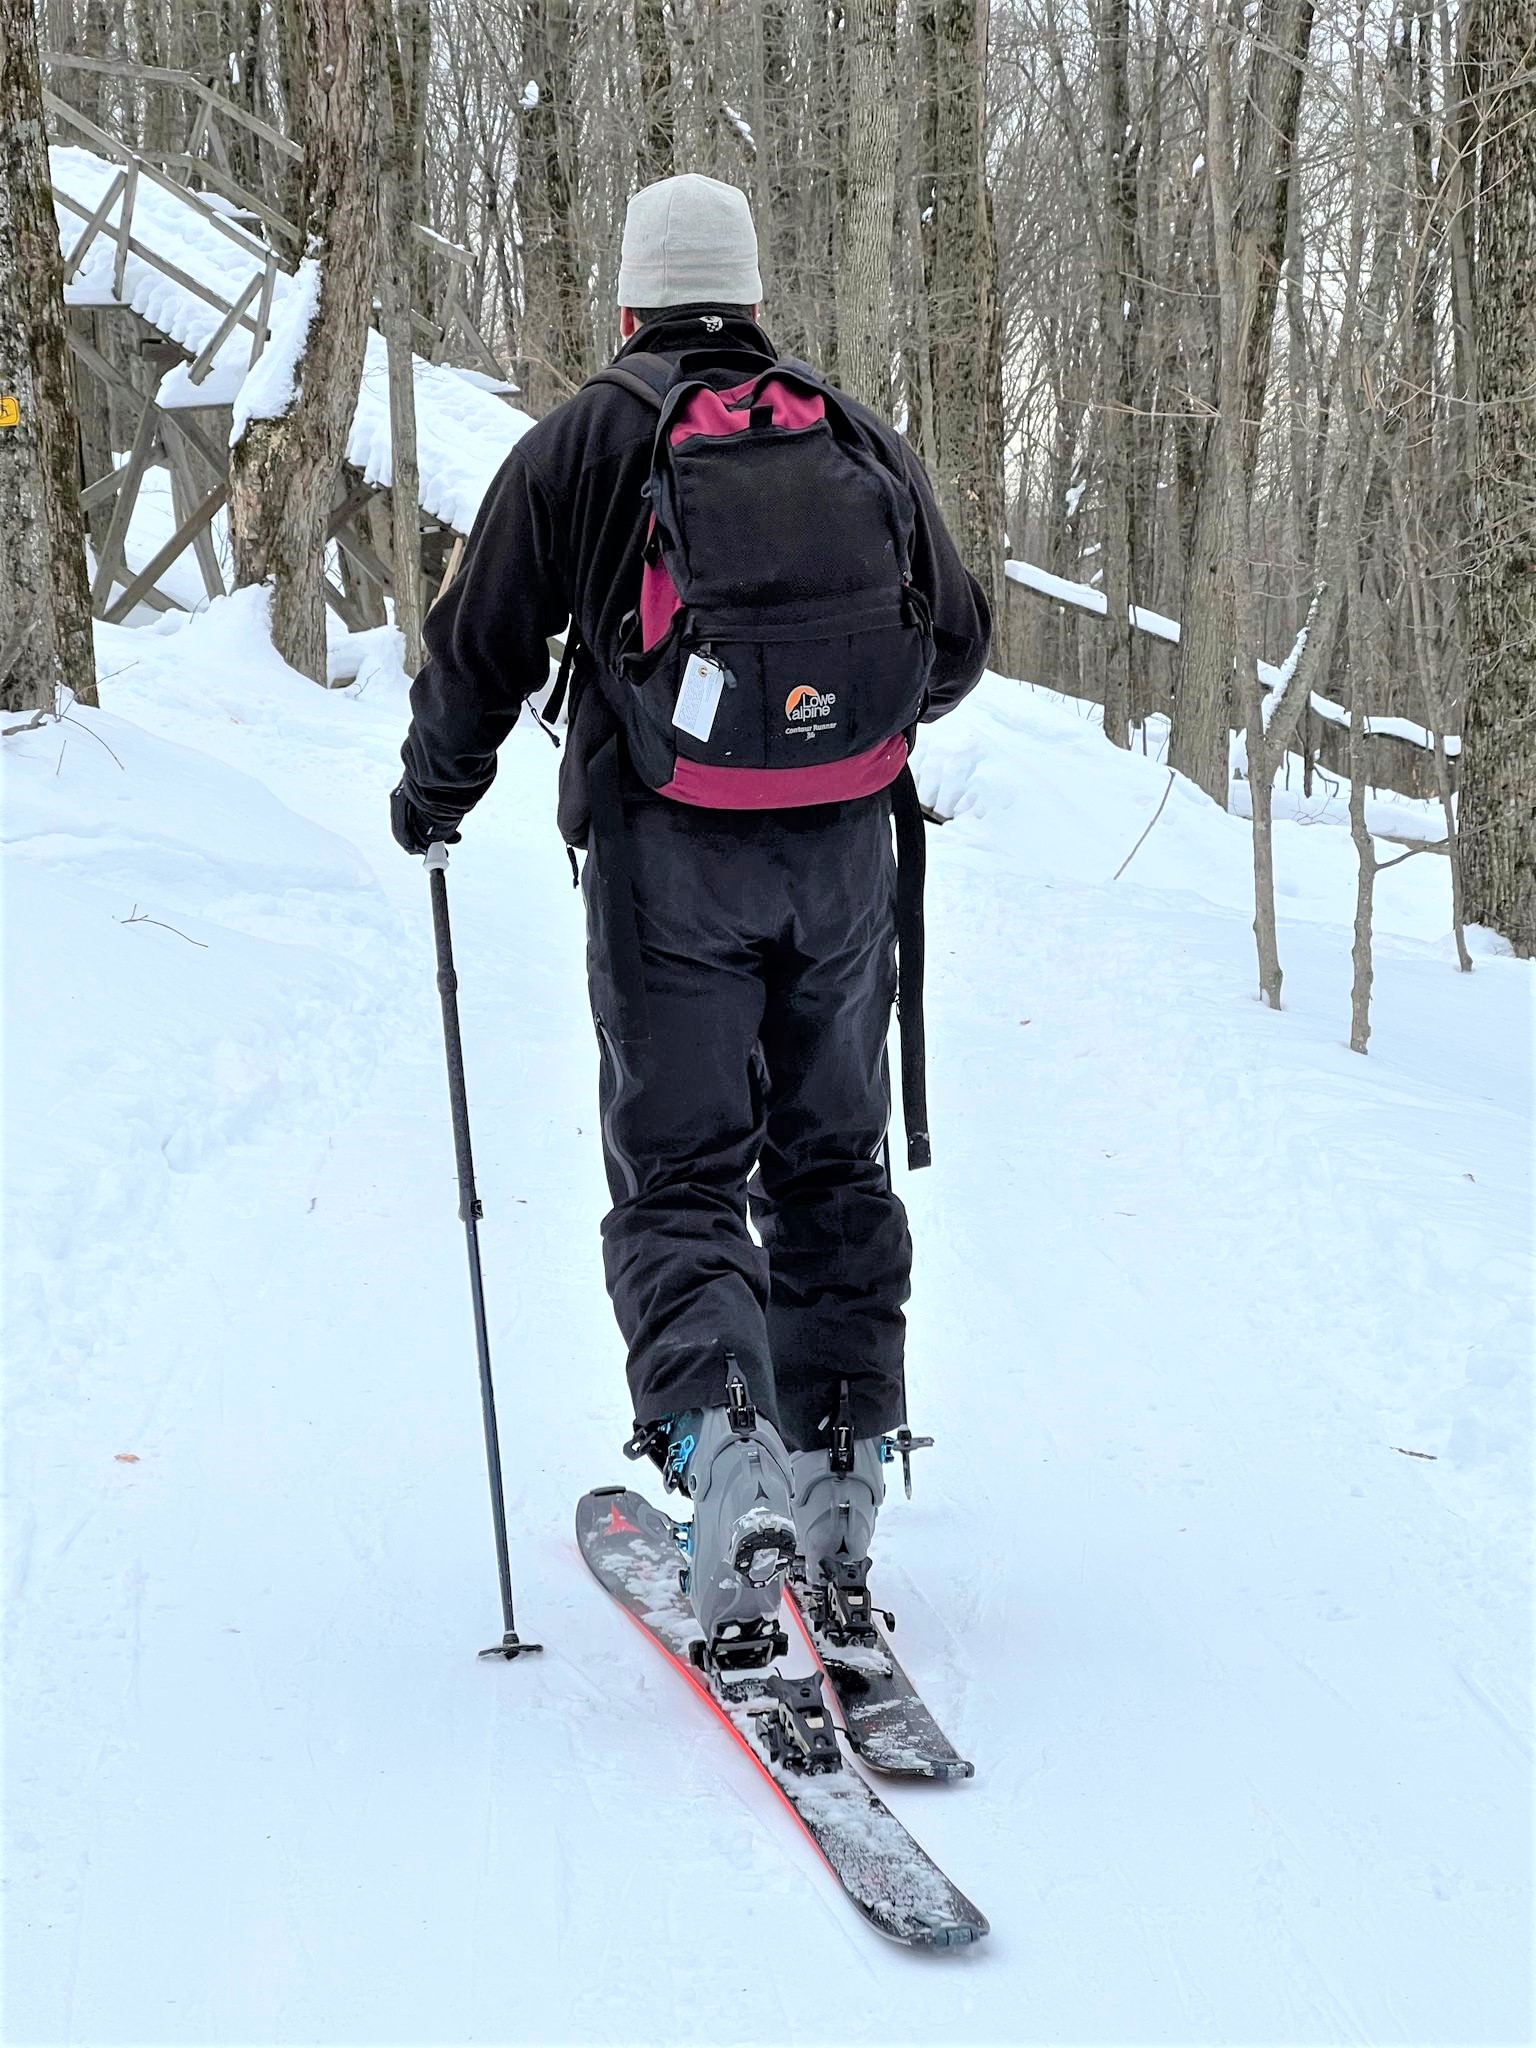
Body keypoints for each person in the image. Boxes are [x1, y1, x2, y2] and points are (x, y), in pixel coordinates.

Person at [394, 173, 989, 1671]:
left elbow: (481, 650)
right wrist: (829, 727)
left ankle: (724, 1455)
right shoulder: (850, 430)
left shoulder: (587, 438)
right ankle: (843, 1481)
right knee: (829, 1160)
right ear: (755, 295)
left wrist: (434, 797)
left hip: (672, 868)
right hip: (848, 863)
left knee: (679, 1172)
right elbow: (960, 646)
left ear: (630, 300)